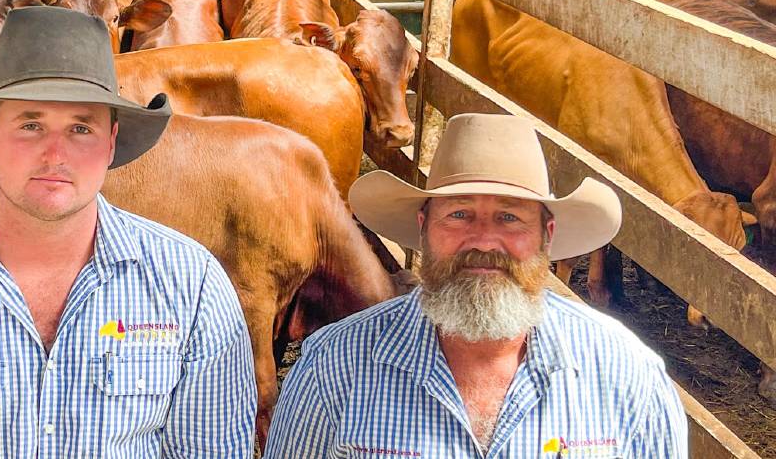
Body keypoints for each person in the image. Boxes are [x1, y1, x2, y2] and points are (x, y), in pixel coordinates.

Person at [0, 6, 256, 458]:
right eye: (31, 125)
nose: (55, 154)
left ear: (110, 143)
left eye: (80, 127)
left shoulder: (193, 286)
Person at [264, 113, 687, 458]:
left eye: (509, 217)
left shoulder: (625, 372)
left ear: (547, 235)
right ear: (424, 227)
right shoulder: (334, 368)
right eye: (460, 215)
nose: (484, 241)